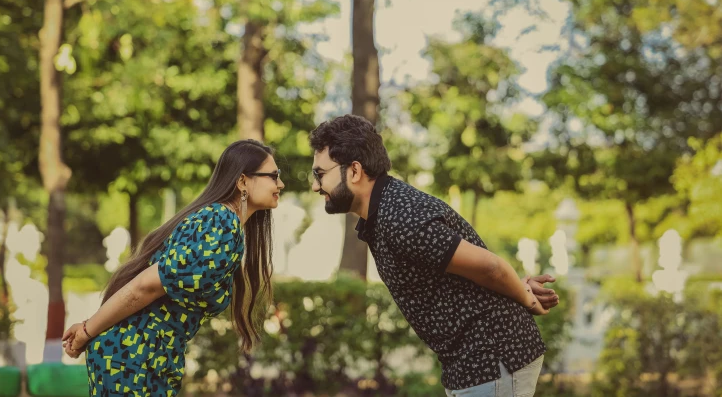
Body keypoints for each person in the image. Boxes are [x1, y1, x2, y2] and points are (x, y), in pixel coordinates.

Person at [309, 115, 560, 396]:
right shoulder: (386, 211)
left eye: (320, 174)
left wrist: (527, 299)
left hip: (491, 358)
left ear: (354, 171)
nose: (315, 186)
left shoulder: (400, 217)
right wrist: (520, 286)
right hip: (472, 364)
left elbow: (491, 267)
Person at [62, 139, 284, 396]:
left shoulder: (227, 227)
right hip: (131, 356)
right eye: (274, 176)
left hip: (153, 356)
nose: (280, 184)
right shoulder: (220, 222)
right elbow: (145, 286)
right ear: (243, 181)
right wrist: (86, 330)